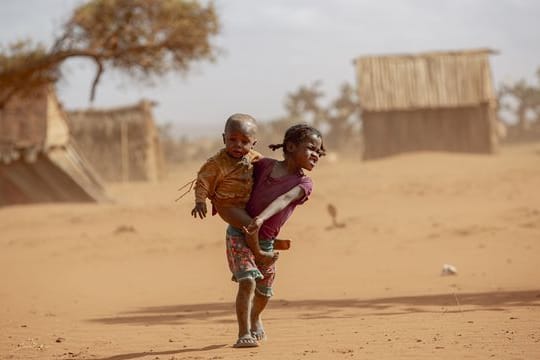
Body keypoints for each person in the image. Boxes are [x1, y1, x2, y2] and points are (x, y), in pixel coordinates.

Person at [225, 123, 325, 348]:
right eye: (311, 148)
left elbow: (284, 199)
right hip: (239, 233)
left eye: (319, 151)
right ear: (290, 146)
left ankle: (255, 317)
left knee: (264, 292)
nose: (316, 155)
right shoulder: (262, 166)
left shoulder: (304, 183)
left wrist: (259, 220)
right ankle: (244, 333)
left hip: (266, 242)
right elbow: (233, 162)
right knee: (247, 280)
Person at [191, 113, 278, 266]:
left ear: (253, 143)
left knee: (265, 218)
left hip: (245, 202)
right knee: (252, 224)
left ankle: (264, 240)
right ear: (224, 138)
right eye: (232, 139)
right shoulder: (217, 163)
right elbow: (203, 181)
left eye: (244, 141)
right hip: (227, 205)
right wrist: (200, 201)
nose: (238, 145)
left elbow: (270, 166)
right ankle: (259, 253)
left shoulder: (253, 157)